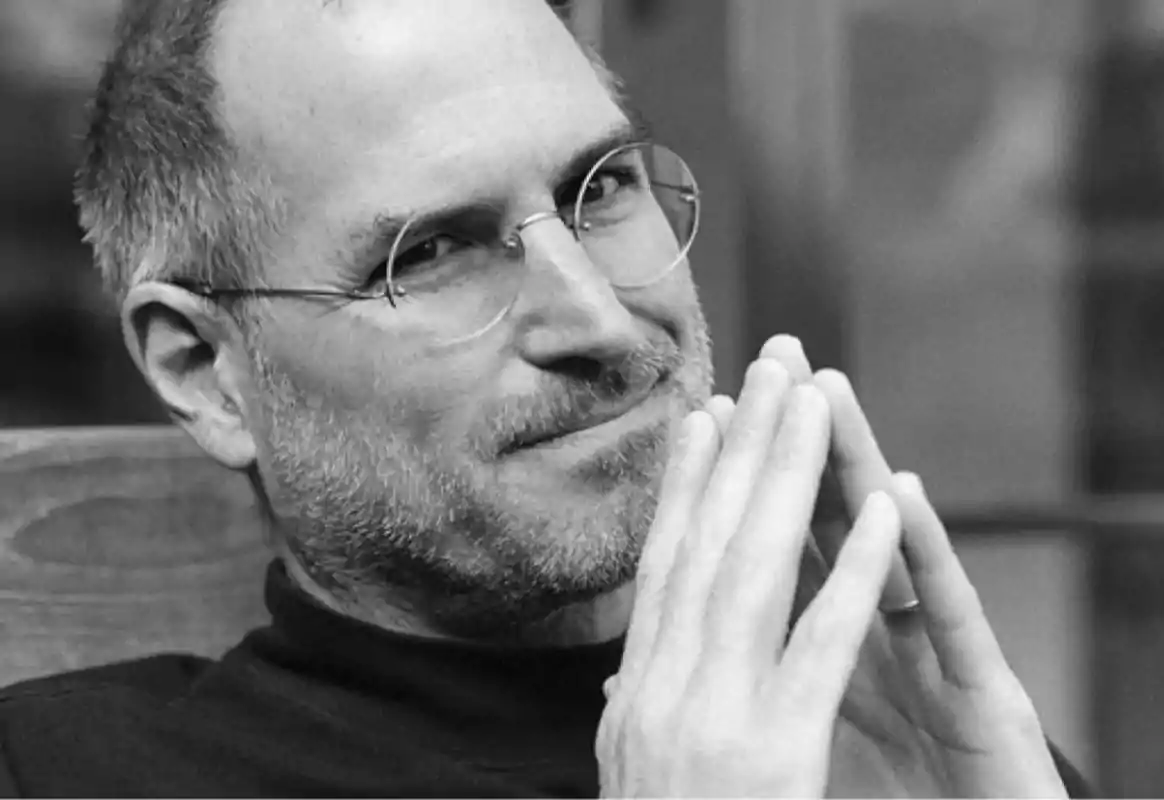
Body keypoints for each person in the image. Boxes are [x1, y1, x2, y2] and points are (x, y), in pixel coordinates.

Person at [0, 0, 1091, 796]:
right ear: (205, 367)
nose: (603, 322)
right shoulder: (61, 772)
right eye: (429, 252)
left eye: (602, 187)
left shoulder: (917, 750)